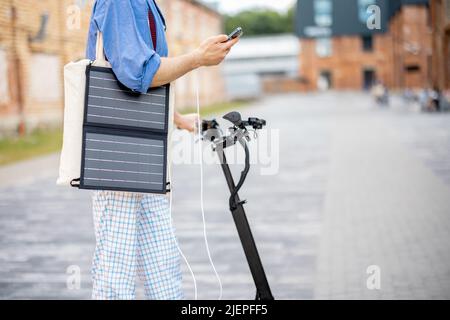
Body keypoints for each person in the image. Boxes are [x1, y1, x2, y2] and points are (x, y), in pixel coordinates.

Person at [85, 0, 239, 300]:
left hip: (147, 154)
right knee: (116, 273)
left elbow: (150, 79)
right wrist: (197, 58)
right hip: (118, 155)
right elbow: (137, 72)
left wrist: (180, 120)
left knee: (163, 264)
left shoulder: (148, 4)